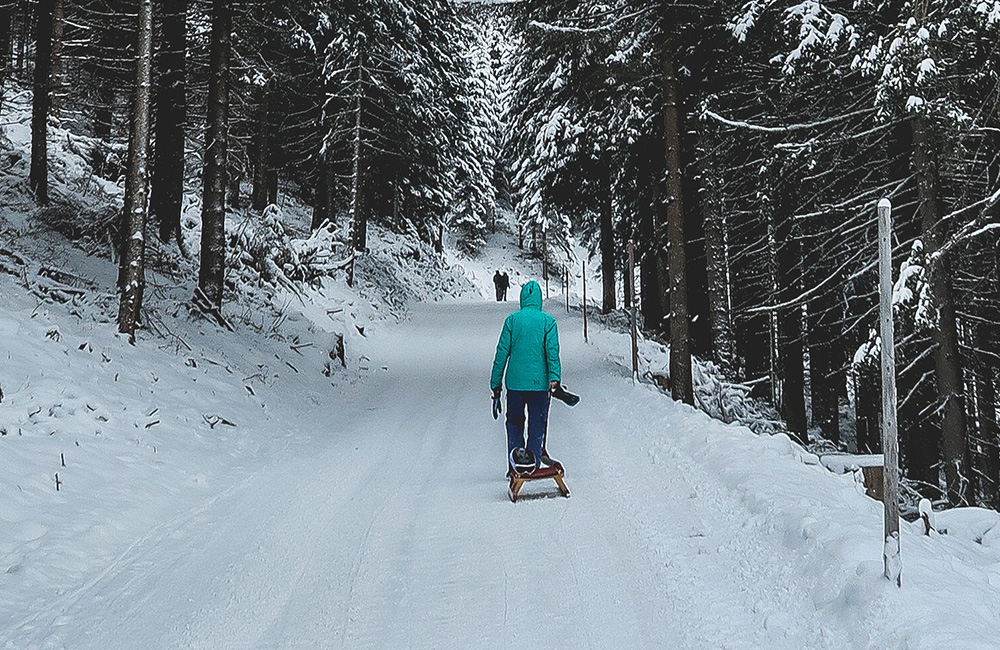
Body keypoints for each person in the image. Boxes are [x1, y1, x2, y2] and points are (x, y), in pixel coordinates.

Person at [490, 280, 561, 472]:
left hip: (515, 385)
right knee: (537, 423)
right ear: (539, 299)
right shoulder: (548, 322)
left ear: (522, 299)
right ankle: (534, 463)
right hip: (540, 385)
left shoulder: (512, 320)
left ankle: (515, 465)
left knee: (514, 423)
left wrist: (495, 385)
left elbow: (501, 353)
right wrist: (554, 377)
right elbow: (552, 352)